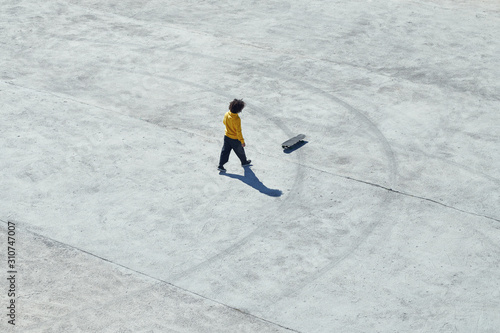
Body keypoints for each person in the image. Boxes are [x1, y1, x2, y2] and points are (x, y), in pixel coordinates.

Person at [218, 99, 251, 172]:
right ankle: (244, 162)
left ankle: (220, 165)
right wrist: (242, 141)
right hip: (235, 139)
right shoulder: (237, 119)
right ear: (239, 110)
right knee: (240, 151)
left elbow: (224, 122)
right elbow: (238, 131)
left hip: (226, 136)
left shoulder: (227, 114)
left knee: (225, 151)